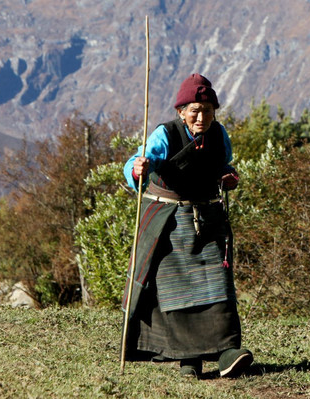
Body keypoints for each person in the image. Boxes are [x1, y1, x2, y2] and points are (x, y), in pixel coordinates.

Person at [122, 73, 253, 379]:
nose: (201, 116)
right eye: (194, 110)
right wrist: (137, 169)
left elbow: (224, 165)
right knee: (175, 292)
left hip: (208, 222)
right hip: (170, 222)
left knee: (218, 285)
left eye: (207, 111)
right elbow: (139, 162)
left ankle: (227, 352)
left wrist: (227, 176)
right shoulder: (165, 134)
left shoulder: (219, 135)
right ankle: (188, 361)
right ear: (181, 111)